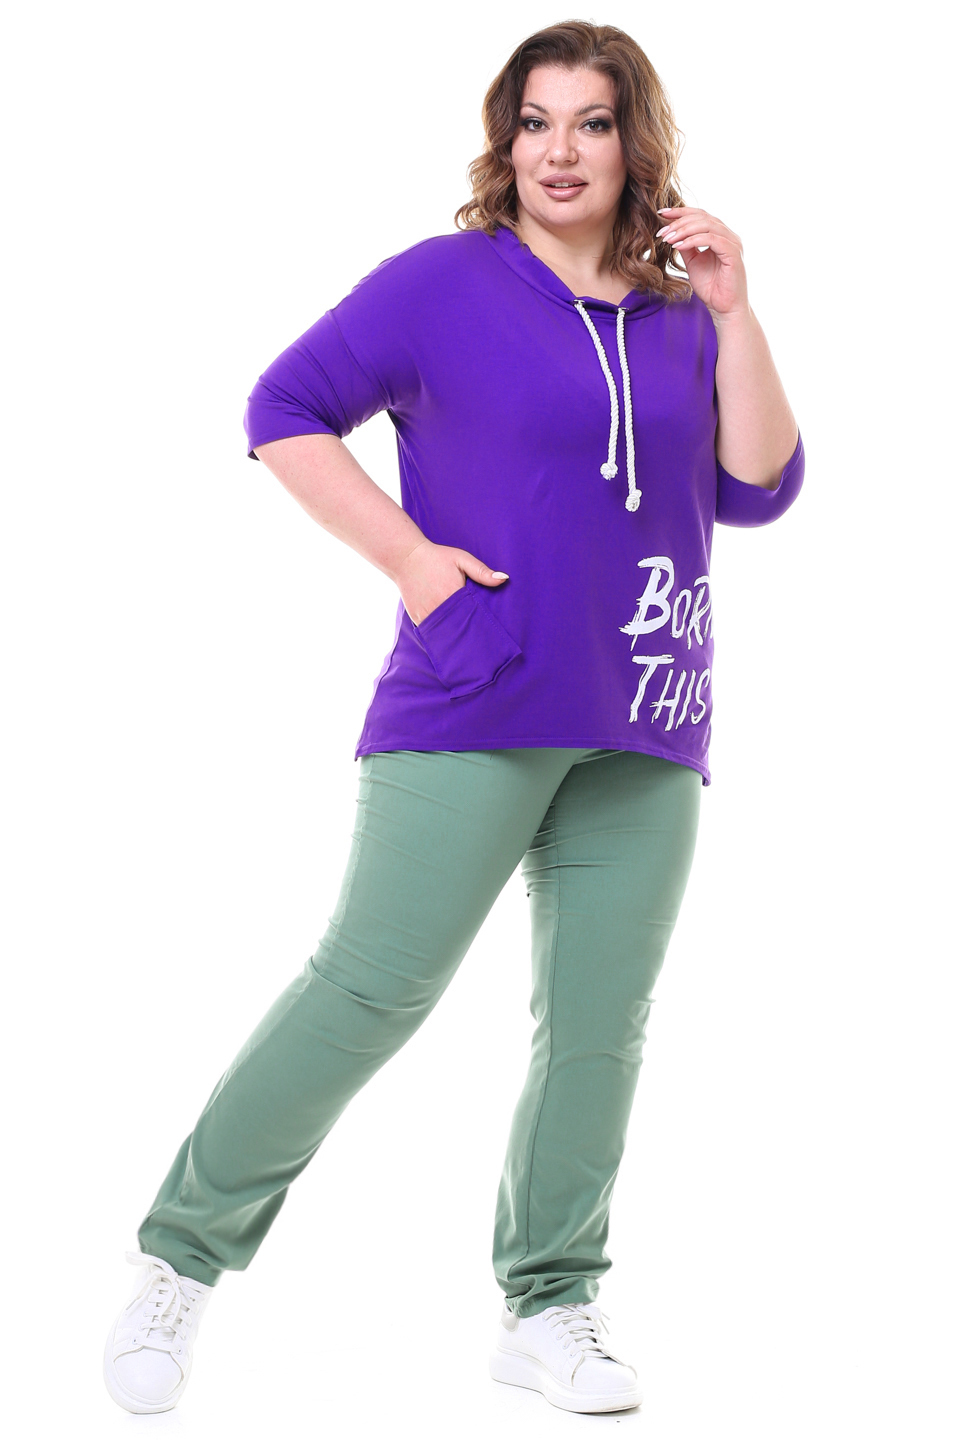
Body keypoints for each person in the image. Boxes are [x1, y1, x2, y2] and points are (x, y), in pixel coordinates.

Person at [103, 18, 804, 1418]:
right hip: (476, 692)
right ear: (506, 138)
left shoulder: (680, 313)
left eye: (592, 123)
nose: (560, 151)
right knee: (370, 991)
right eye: (536, 122)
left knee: (597, 1026)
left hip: (648, 709)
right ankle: (179, 1261)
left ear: (635, 142)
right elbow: (284, 407)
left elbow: (760, 485)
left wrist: (736, 311)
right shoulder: (444, 283)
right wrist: (414, 564)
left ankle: (550, 1303)